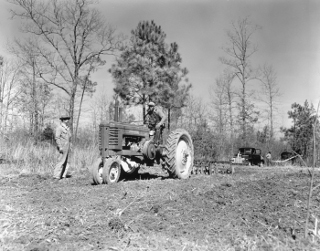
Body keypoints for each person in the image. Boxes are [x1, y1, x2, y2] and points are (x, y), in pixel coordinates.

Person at [53, 114, 72, 180]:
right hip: (62, 147)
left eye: (68, 119)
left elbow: (69, 137)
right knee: (61, 161)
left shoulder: (67, 128)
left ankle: (63, 176)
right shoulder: (59, 128)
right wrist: (60, 147)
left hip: (68, 147)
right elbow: (57, 138)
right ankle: (56, 176)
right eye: (66, 119)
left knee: (67, 162)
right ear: (63, 120)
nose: (67, 120)